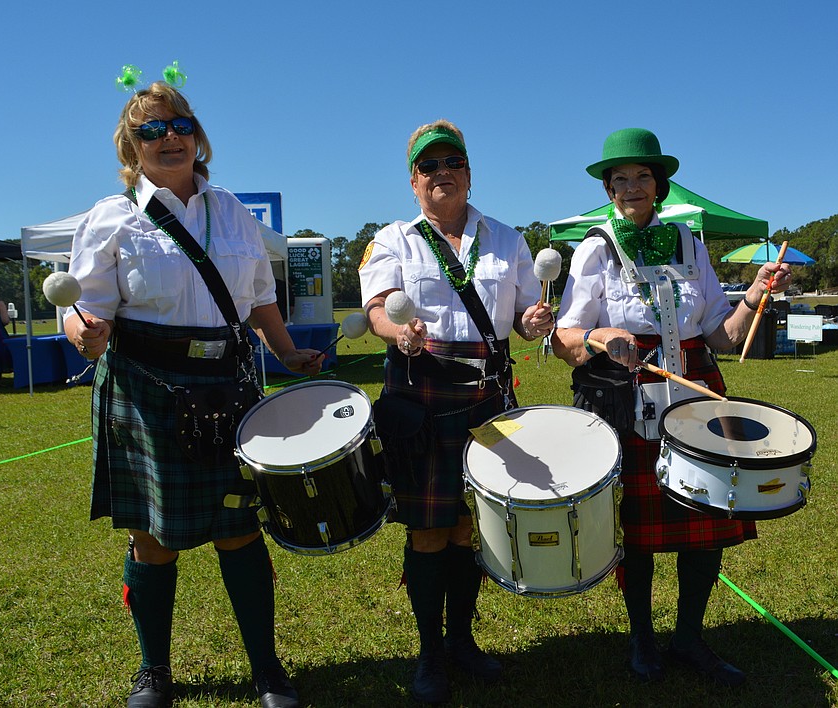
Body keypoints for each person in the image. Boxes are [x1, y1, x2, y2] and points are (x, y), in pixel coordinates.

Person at [64, 81, 323, 708]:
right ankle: (154, 671)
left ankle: (267, 668)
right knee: (151, 538)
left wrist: (285, 350)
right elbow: (83, 307)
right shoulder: (111, 216)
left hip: (227, 384)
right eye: (152, 130)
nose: (169, 138)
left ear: (196, 134)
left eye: (178, 125)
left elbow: (259, 294)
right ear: (133, 145)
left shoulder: (230, 209)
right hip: (146, 390)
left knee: (239, 529)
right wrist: (85, 334)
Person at [551, 128, 792, 688]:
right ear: (609, 190)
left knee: (706, 516)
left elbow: (722, 334)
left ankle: (689, 635)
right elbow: (565, 337)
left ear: (658, 186)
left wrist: (754, 293)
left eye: (641, 177)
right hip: (627, 391)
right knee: (637, 529)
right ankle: (642, 638)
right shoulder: (594, 246)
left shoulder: (689, 242)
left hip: (698, 386)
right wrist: (598, 338)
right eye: (620, 180)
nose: (630, 187)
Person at [358, 119, 553, 704]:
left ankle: (462, 641)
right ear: (413, 182)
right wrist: (400, 333)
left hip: (486, 395)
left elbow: (519, 316)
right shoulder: (394, 239)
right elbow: (375, 310)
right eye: (429, 166)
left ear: (469, 172)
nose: (443, 173)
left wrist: (532, 322)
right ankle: (429, 654)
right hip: (421, 392)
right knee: (427, 530)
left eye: (453, 163)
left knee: (469, 527)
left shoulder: (507, 239)